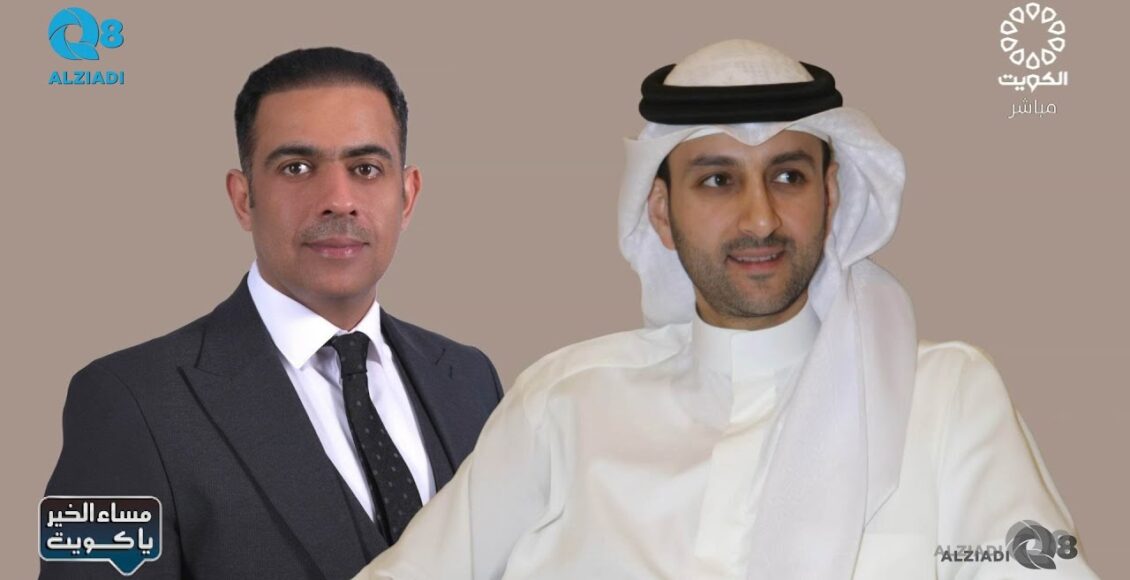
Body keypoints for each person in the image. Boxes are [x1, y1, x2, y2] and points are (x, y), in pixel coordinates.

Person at [356, 40, 1097, 579]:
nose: (761, 218)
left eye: (788, 176)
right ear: (661, 211)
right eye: (717, 181)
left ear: (831, 196)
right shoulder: (565, 402)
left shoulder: (944, 399)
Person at [41, 47, 503, 579]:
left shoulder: (471, 379)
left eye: (366, 168)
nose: (338, 200)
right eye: (297, 167)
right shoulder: (127, 401)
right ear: (244, 198)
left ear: (408, 194)